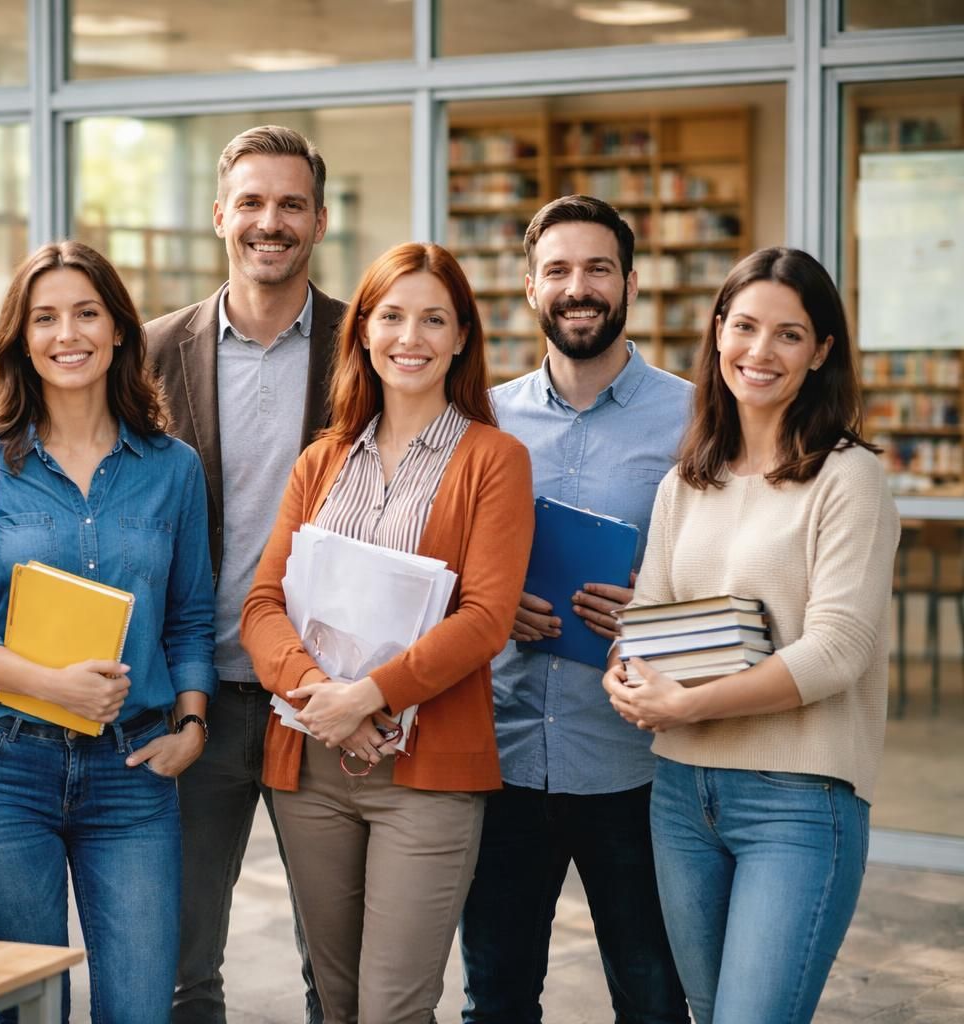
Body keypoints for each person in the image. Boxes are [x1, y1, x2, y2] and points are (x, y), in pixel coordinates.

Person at [0, 240, 216, 1022]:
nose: (66, 333)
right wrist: (46, 683)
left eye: (86, 312)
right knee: (34, 1010)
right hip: (2, 768)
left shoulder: (171, 466)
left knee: (142, 1008)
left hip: (135, 772)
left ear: (120, 328)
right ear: (20, 340)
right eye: (44, 318)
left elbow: (189, 614)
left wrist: (192, 721)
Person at [602, 248, 899, 1024]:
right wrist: (625, 674)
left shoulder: (849, 478)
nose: (760, 352)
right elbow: (647, 620)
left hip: (798, 801)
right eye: (745, 327)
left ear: (822, 351)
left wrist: (689, 705)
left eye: (789, 335)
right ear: (717, 333)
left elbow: (838, 649)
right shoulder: (686, 481)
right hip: (679, 795)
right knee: (707, 1012)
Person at [241, 242, 534, 1023]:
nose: (412, 337)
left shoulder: (495, 459)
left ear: (463, 336)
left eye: (435, 319)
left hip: (427, 773)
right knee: (335, 1005)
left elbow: (486, 619)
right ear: (363, 331)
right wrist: (322, 697)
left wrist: (367, 696)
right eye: (393, 316)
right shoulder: (322, 460)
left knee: (393, 1010)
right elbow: (262, 604)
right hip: (310, 767)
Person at [461, 196, 690, 1022]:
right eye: (557, 270)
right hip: (506, 756)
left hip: (636, 763)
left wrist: (654, 611)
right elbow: (440, 566)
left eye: (598, 269)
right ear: (529, 288)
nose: (578, 287)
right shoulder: (481, 418)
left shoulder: (698, 417)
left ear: (629, 283)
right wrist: (488, 604)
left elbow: (738, 584)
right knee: (496, 999)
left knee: (655, 998)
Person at [144, 123, 344, 1024]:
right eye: (254, 202)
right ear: (220, 213)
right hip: (200, 699)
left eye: (291, 204)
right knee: (184, 969)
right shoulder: (148, 352)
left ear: (320, 219)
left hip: (327, 697)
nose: (272, 221)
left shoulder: (369, 345)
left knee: (337, 975)